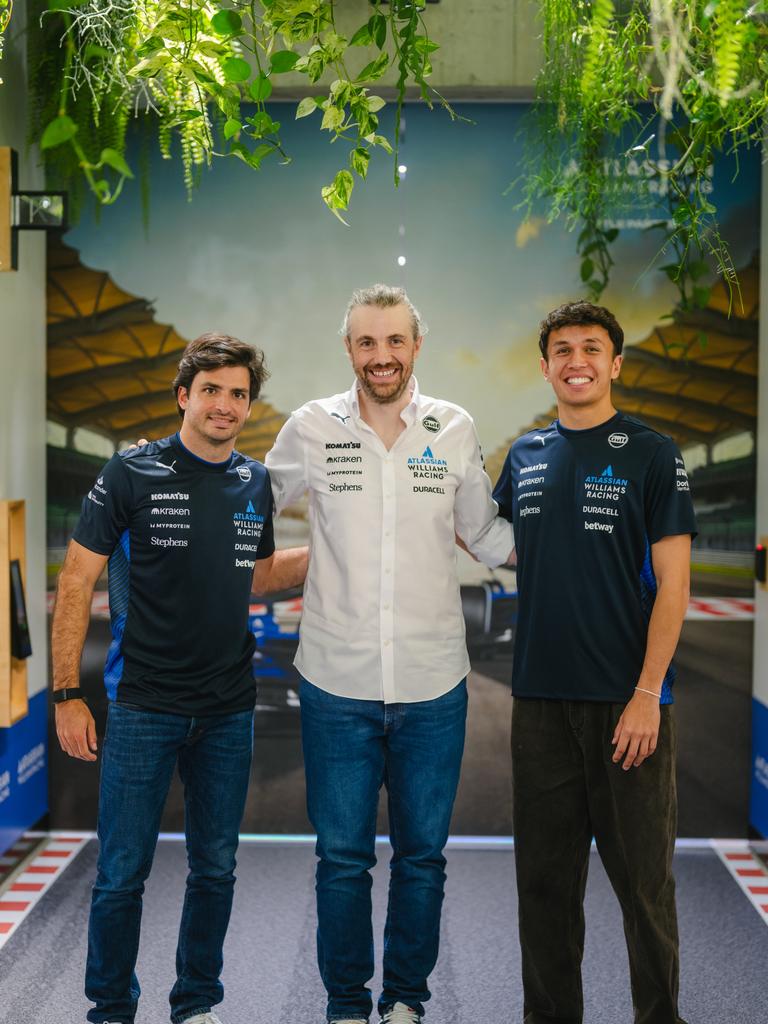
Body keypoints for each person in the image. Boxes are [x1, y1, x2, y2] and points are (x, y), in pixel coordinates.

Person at [265, 284, 514, 1024]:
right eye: (367, 342)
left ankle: (406, 999)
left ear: (416, 347)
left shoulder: (453, 427)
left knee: (422, 859)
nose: (382, 356)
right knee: (341, 859)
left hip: (434, 684)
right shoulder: (311, 427)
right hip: (335, 685)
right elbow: (245, 510)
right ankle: (346, 1004)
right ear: (349, 349)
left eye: (395, 341)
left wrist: (576, 554)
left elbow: (491, 536)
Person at [51, 333, 307, 1024]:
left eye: (238, 394)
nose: (225, 405)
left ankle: (195, 1004)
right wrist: (67, 694)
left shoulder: (254, 482)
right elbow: (77, 580)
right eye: (212, 390)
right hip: (142, 706)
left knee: (215, 871)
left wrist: (340, 549)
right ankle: (110, 1009)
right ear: (183, 396)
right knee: (121, 876)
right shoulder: (130, 474)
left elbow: (253, 577)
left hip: (227, 709)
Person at [493, 301, 696, 1024]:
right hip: (539, 707)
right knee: (544, 891)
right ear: (545, 365)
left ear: (614, 363)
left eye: (591, 347)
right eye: (561, 348)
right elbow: (490, 541)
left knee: (644, 891)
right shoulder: (524, 456)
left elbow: (675, 584)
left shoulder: (652, 452)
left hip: (627, 705)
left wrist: (648, 692)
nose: (575, 359)